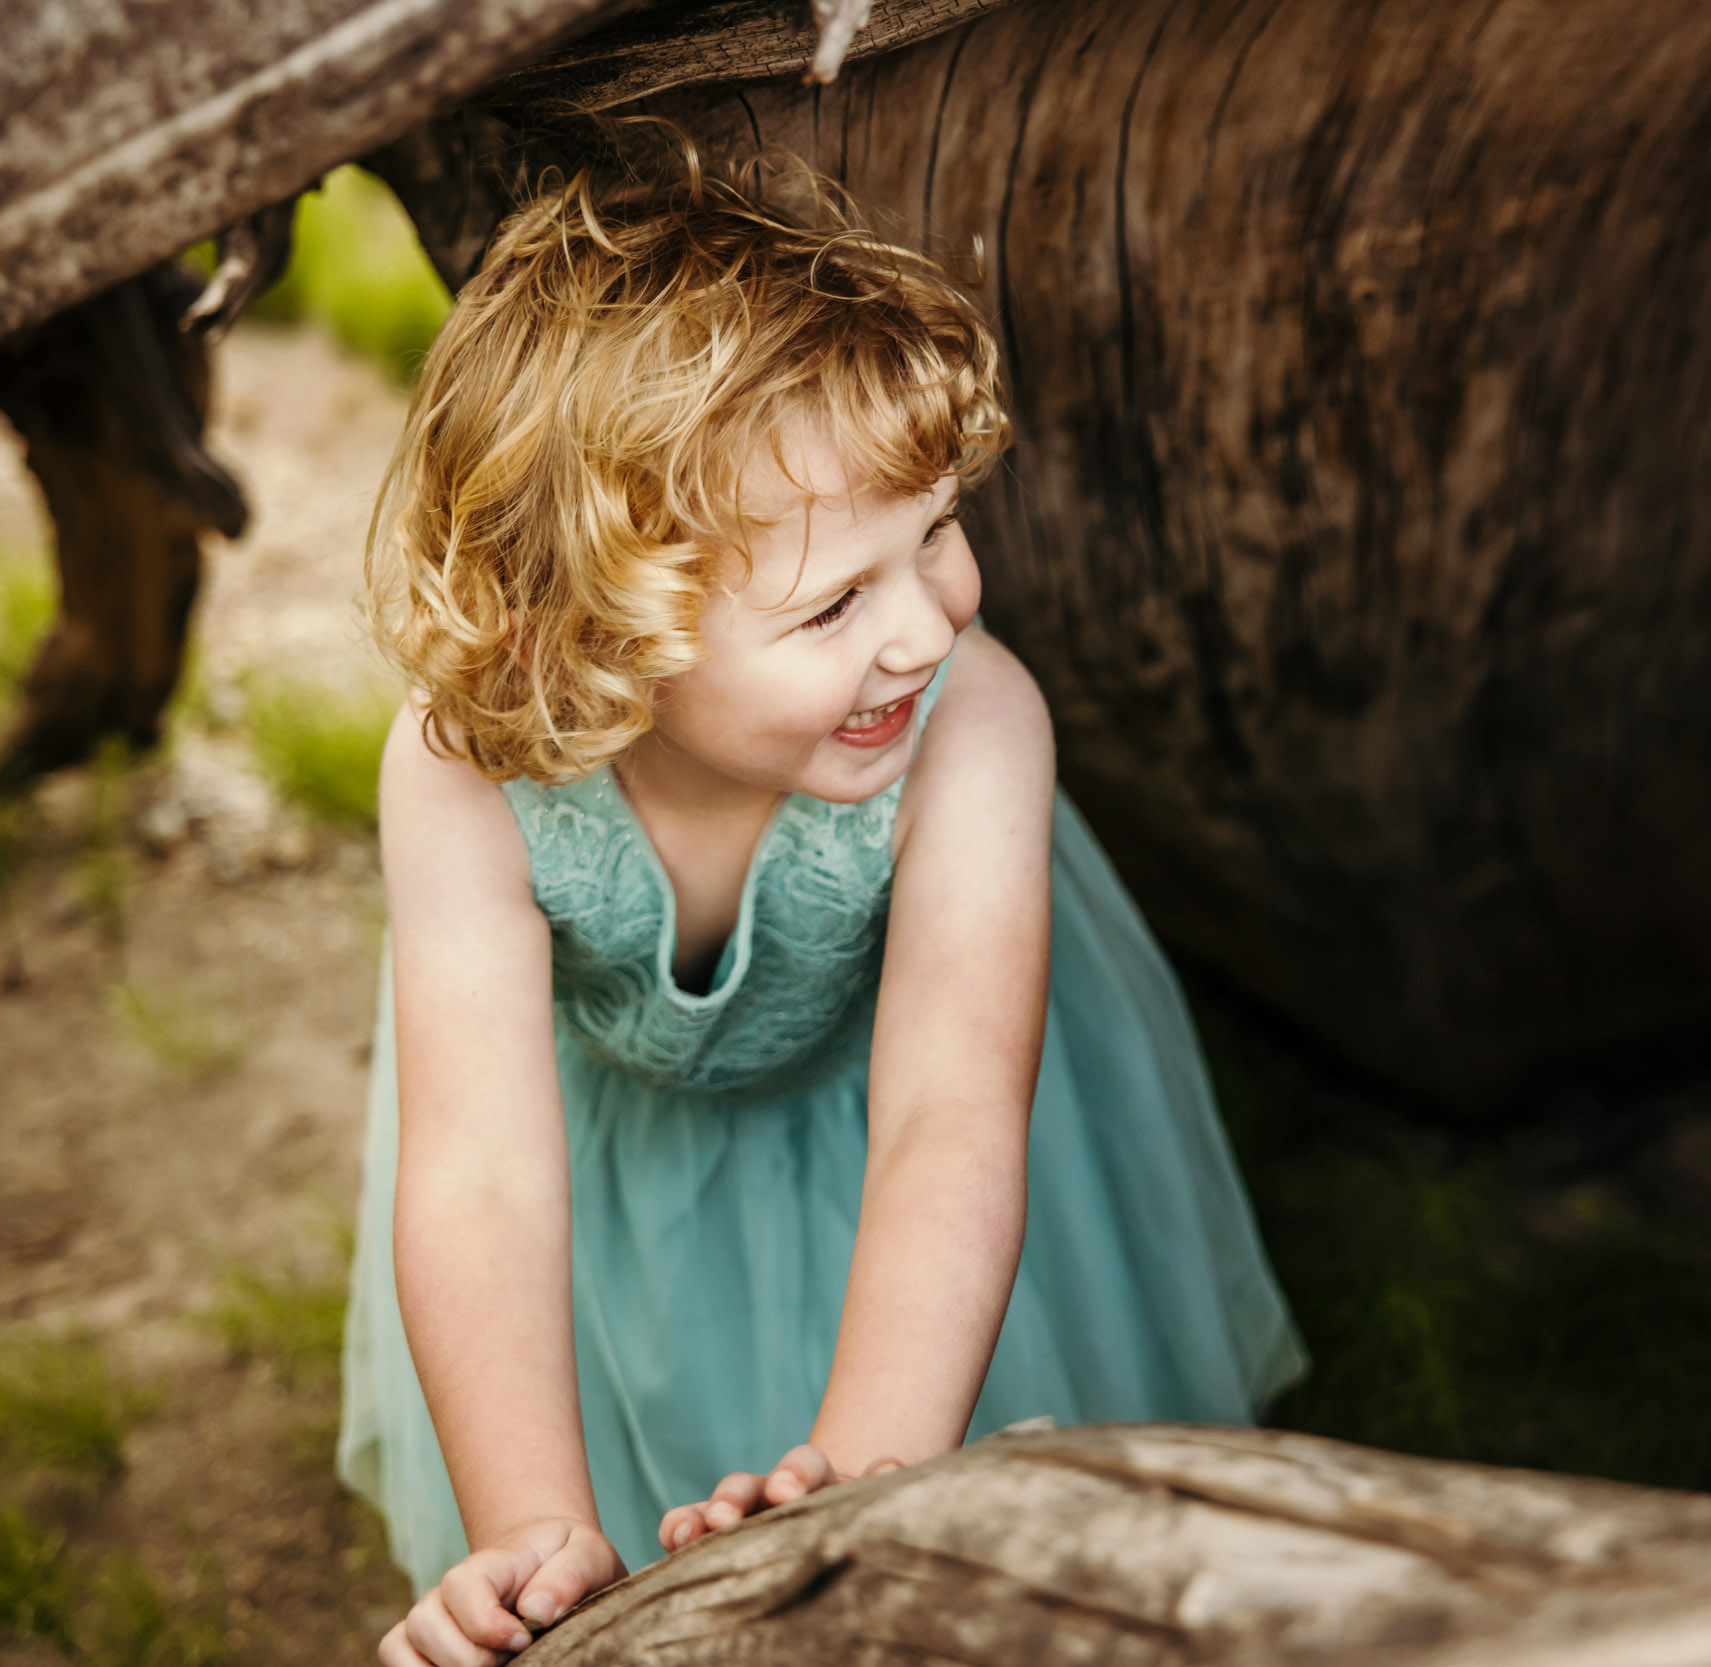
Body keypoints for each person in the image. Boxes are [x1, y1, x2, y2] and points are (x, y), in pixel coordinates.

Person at [339, 141, 1310, 1667]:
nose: (927, 625)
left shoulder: (975, 726)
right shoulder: (461, 769)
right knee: (613, 1439)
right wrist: (529, 1535)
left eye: (935, 532)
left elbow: (946, 1122)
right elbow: (483, 1181)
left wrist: (863, 1484)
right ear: (596, 638)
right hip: (600, 1149)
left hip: (896, 1132)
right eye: (833, 602)